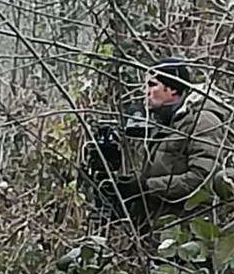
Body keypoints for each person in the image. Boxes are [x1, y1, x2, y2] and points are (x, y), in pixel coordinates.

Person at [94, 58, 226, 228]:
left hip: (187, 230)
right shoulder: (168, 119)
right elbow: (162, 165)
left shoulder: (202, 120)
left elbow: (203, 179)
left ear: (172, 89)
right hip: (159, 225)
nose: (145, 91)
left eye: (152, 85)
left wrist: (146, 187)